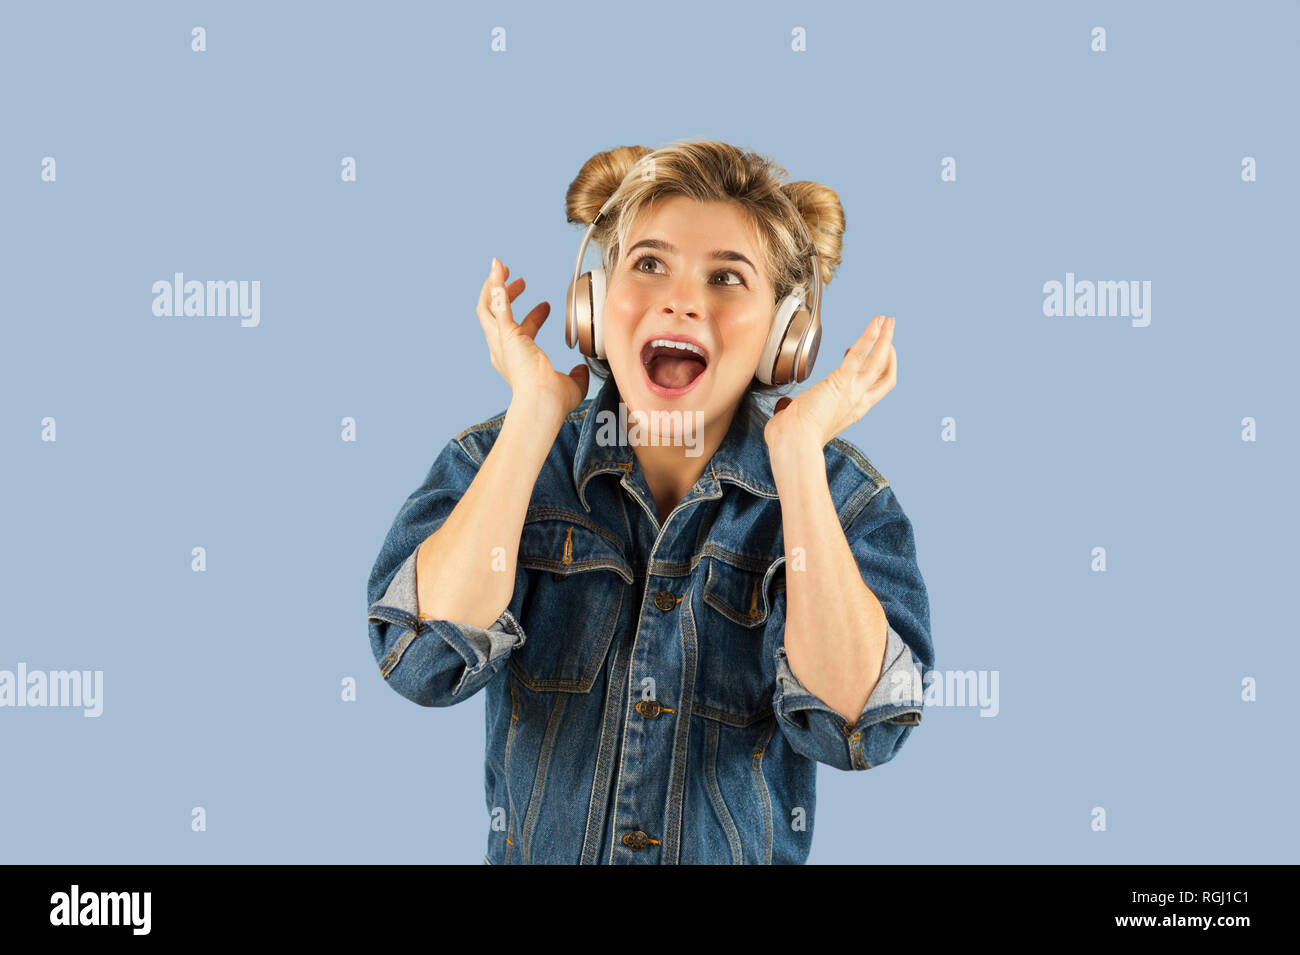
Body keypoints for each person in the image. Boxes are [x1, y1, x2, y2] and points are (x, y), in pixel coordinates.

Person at [366, 139, 935, 864]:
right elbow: (420, 657)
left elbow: (859, 724)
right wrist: (535, 414)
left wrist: (796, 455)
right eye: (649, 263)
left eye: (727, 277)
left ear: (785, 335)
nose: (683, 299)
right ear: (594, 304)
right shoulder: (498, 461)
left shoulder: (846, 502)